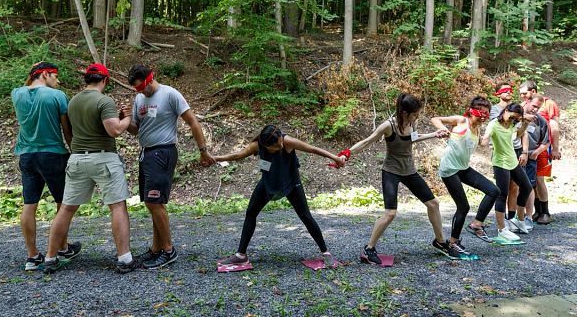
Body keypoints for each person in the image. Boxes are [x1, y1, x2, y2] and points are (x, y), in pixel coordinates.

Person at [43, 64, 135, 274]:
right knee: (117, 206)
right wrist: (127, 117)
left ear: (86, 79)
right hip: (103, 158)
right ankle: (125, 258)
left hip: (77, 159)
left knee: (66, 208)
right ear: (105, 80)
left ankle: (50, 257)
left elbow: (68, 130)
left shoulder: (73, 101)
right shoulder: (104, 101)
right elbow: (114, 130)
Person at [340, 93, 450, 264]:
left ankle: (440, 242)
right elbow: (367, 141)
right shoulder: (388, 126)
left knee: (433, 204)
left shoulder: (412, 122)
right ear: (404, 112)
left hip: (409, 171)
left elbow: (412, 138)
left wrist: (434, 134)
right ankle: (368, 249)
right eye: (414, 114)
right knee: (390, 213)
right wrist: (347, 154)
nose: (417, 117)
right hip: (391, 171)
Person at [213, 124, 344, 268]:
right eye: (276, 146)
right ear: (265, 145)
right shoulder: (257, 145)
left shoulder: (287, 141)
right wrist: (214, 158)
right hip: (269, 182)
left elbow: (312, 149)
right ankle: (241, 255)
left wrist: (335, 158)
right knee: (251, 212)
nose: (280, 146)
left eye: (281, 142)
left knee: (305, 215)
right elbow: (237, 155)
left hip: (291, 183)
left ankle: (325, 252)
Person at [126, 65, 214, 269]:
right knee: (151, 203)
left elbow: (192, 121)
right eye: (137, 89)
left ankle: (168, 250)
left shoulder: (170, 94)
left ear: (151, 77)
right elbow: (135, 130)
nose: (141, 92)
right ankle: (156, 249)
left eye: (143, 87)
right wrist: (124, 120)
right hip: (145, 153)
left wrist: (203, 150)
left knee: (155, 203)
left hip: (163, 152)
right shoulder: (139, 99)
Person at [11, 62, 80, 271]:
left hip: (26, 154)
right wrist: (74, 152)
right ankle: (62, 247)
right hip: (52, 154)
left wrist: (33, 73)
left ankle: (32, 256)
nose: (57, 81)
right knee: (63, 202)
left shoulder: (17, 94)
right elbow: (67, 130)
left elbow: (28, 84)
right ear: (46, 74)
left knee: (29, 204)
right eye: (55, 76)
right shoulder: (57, 96)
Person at [430, 96, 500, 257]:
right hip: (449, 169)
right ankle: (453, 243)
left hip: (463, 168)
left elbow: (480, 144)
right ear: (471, 111)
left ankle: (476, 225)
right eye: (480, 112)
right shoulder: (461, 121)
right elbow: (435, 119)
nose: (483, 116)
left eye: (486, 113)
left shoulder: (478, 128)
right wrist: (444, 129)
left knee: (493, 191)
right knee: (463, 207)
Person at [481, 103, 532, 241]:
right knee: (502, 194)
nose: (513, 120)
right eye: (512, 116)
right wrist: (481, 140)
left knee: (526, 187)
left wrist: (525, 124)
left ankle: (519, 220)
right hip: (500, 163)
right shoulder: (493, 124)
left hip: (512, 161)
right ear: (506, 110)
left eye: (516, 118)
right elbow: (485, 139)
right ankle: (501, 229)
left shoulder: (511, 124)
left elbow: (517, 135)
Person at [519, 81, 561, 225]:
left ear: (533, 91)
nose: (523, 96)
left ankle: (545, 212)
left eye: (525, 93)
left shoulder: (549, 104)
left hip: (543, 147)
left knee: (539, 179)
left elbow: (554, 126)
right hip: (527, 148)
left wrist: (555, 148)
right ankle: (536, 210)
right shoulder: (524, 105)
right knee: (530, 180)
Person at [506, 95, 549, 231]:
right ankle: (511, 218)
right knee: (513, 187)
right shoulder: (515, 115)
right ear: (527, 102)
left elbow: (546, 141)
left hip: (531, 157)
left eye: (538, 108)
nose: (535, 109)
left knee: (529, 186)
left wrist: (536, 152)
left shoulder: (541, 121)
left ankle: (528, 218)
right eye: (534, 106)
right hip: (512, 154)